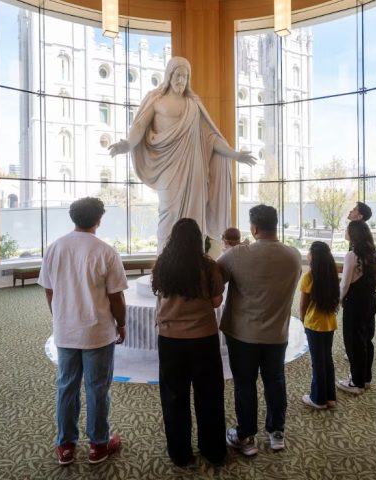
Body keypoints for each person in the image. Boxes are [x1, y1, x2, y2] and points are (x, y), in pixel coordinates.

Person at [108, 57, 256, 251]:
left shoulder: (193, 105)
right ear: (169, 76)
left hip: (193, 168)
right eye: (177, 75)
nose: (181, 80)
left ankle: (193, 264)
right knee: (167, 213)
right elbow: (139, 126)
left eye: (185, 76)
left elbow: (211, 137)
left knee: (194, 220)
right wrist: (127, 144)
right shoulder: (156, 99)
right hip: (167, 166)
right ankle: (164, 262)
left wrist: (234, 155)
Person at [38, 197, 128, 466]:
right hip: (98, 332)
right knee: (98, 388)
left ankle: (65, 445)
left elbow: (49, 290)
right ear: (99, 219)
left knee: (66, 386)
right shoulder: (106, 252)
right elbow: (116, 298)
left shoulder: (55, 248)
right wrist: (121, 324)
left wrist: (61, 317)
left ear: (72, 218)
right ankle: (99, 446)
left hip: (66, 331)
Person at [217, 204, 302, 456]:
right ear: (275, 225)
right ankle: (277, 432)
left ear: (253, 228)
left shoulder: (236, 255)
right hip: (277, 334)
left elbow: (212, 281)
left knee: (245, 383)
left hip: (243, 334)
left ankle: (246, 436)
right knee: (275, 380)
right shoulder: (293, 255)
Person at [152, 218, 227, 467]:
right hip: (203, 338)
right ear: (199, 240)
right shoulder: (208, 266)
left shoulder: (163, 264)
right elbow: (216, 302)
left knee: (174, 397)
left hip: (170, 339)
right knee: (210, 395)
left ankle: (180, 454)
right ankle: (213, 450)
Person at [337, 220, 376, 395]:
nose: (345, 231)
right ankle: (365, 379)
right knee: (366, 340)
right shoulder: (371, 253)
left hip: (355, 302)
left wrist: (339, 301)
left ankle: (356, 382)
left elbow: (345, 285)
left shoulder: (352, 256)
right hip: (370, 300)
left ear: (353, 234)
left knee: (353, 341)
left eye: (347, 229)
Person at [298, 241, 340, 409]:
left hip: (314, 324)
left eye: (309, 252)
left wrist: (302, 319)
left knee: (318, 362)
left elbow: (303, 304)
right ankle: (330, 397)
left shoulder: (309, 276)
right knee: (327, 359)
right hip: (329, 323)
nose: (307, 254)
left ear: (314, 257)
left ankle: (318, 399)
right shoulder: (332, 273)